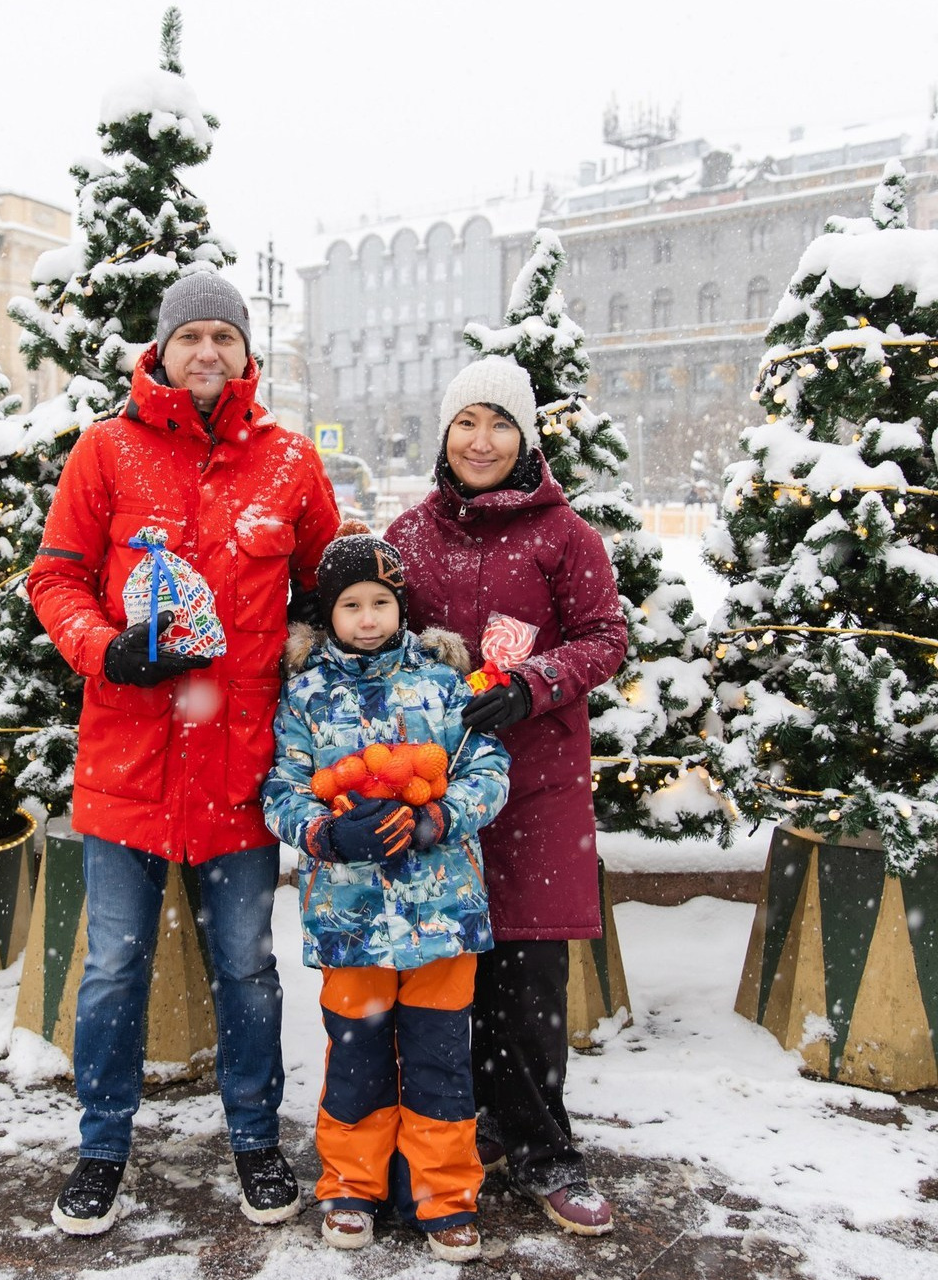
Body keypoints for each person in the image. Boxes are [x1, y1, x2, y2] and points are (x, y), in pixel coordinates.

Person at [28, 271, 342, 1236]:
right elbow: (56, 577)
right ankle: (102, 1147)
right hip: (130, 760)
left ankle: (254, 1137)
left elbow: (331, 588)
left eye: (225, 336)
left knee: (248, 964)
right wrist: (103, 647)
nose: (207, 352)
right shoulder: (107, 451)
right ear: (160, 351)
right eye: (190, 336)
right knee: (115, 963)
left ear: (247, 353)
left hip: (241, 769)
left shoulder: (289, 462)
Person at [386, 355, 628, 1237]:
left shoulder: (567, 537)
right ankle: (460, 1134)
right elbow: (373, 626)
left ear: (525, 437)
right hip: (437, 788)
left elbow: (606, 636)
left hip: (536, 788)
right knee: (448, 973)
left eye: (499, 425)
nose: (480, 441)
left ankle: (545, 1148)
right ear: (444, 436)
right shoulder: (409, 535)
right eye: (465, 424)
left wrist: (533, 683)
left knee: (527, 979)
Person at [261, 524, 510, 1263]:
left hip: (442, 915)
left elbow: (486, 768)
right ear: (327, 614)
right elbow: (281, 786)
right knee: (357, 1055)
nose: (367, 618)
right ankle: (350, 1185)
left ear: (401, 607)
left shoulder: (443, 684)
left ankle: (444, 1193)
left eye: (380, 602)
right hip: (351, 917)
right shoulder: (304, 694)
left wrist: (438, 817)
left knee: (440, 1059)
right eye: (351, 606)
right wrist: (326, 836)